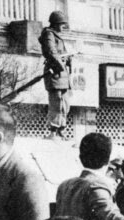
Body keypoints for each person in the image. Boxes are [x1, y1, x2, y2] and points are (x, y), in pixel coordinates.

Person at [39, 11, 72, 140]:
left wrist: (68, 59)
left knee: (65, 104)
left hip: (62, 74)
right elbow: (51, 52)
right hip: (55, 72)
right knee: (56, 102)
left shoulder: (57, 36)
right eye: (62, 24)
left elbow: (62, 53)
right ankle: (53, 130)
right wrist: (60, 65)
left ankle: (61, 129)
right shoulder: (49, 34)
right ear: (56, 24)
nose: (64, 27)